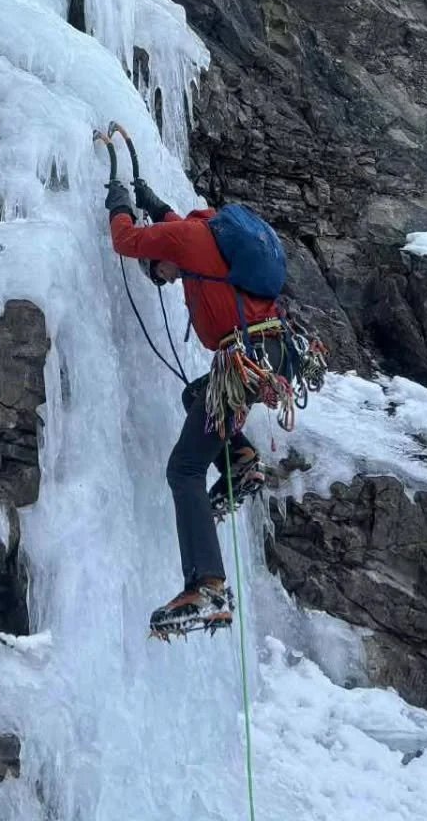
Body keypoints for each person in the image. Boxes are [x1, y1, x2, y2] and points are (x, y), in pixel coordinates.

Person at [106, 173, 277, 635]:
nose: (162, 277)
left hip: (244, 361)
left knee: (184, 469)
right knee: (194, 395)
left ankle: (208, 587)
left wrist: (119, 203)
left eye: (158, 270)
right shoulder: (207, 234)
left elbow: (126, 239)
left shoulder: (183, 241)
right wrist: (153, 201)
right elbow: (176, 224)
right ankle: (240, 459)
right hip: (268, 354)